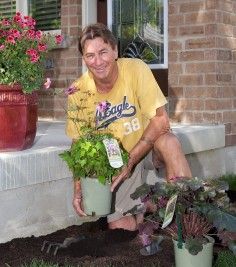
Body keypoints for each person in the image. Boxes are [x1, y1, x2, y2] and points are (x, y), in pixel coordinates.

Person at [65, 23, 192, 231]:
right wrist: (78, 186)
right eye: (90, 55)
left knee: (170, 142)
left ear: (115, 50)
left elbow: (161, 120)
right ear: (83, 59)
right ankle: (150, 200)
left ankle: (187, 223)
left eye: (103, 52)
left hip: (146, 147)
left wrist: (131, 160)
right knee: (121, 230)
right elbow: (77, 142)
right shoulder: (78, 91)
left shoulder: (135, 69)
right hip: (116, 160)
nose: (97, 62)